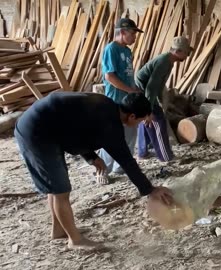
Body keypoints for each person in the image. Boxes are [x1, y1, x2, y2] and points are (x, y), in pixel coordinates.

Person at [15, 92, 173, 250]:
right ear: (132, 116)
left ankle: (59, 230)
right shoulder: (110, 124)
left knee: (56, 187)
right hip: (37, 132)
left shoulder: (106, 105)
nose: (139, 124)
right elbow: (127, 162)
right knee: (60, 190)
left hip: (45, 126)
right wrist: (150, 189)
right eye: (140, 121)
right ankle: (75, 240)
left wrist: (91, 157)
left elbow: (75, 129)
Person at [98, 18, 143, 181]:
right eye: (132, 33)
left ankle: (122, 166)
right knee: (112, 136)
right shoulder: (111, 49)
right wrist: (130, 90)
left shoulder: (127, 51)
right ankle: (102, 169)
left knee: (131, 132)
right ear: (122, 32)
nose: (135, 37)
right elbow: (109, 76)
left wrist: (135, 88)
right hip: (116, 100)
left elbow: (128, 75)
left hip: (129, 99)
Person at [135, 36, 193, 161]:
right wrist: (148, 111)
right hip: (143, 92)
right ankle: (166, 156)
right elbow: (151, 88)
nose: (187, 56)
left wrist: (162, 101)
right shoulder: (164, 62)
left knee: (145, 120)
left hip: (145, 91)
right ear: (177, 51)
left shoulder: (168, 61)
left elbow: (159, 85)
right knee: (158, 120)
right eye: (186, 53)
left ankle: (142, 152)